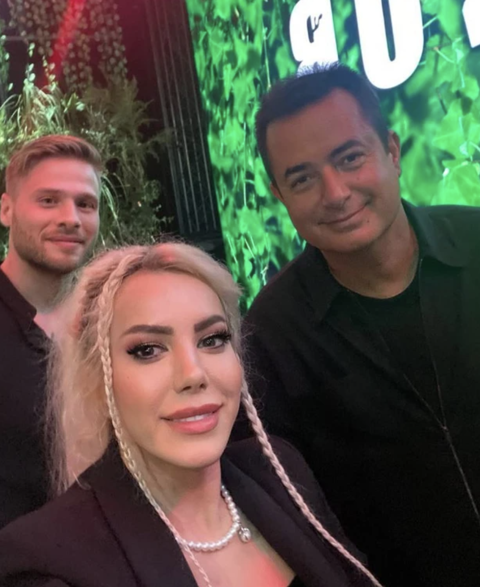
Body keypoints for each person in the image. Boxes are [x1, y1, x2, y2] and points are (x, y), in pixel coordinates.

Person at [0, 242, 380, 587]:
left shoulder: (282, 473)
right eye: (148, 349)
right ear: (97, 378)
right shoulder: (45, 560)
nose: (193, 374)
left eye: (212, 339)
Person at [242, 63, 480, 587]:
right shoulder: (272, 334)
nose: (335, 193)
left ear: (391, 151)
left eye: (350, 158)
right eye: (302, 178)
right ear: (279, 195)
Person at [0, 134, 101, 528]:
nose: (70, 218)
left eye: (85, 204)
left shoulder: (107, 320)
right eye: (48, 200)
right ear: (6, 210)